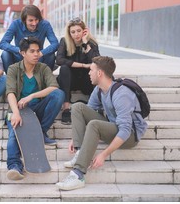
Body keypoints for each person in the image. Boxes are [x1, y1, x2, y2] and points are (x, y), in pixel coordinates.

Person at [56, 56, 148, 190]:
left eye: (91, 70)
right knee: (77, 107)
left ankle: (78, 175)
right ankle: (80, 152)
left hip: (130, 136)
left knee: (94, 124)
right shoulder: (99, 89)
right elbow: (87, 111)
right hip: (113, 125)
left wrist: (104, 154)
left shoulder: (121, 94)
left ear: (100, 73)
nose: (89, 73)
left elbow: (125, 130)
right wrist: (75, 138)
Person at [5, 36, 65, 180]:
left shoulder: (43, 68)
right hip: (17, 110)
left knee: (58, 94)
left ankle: (41, 130)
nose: (36, 54)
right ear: (23, 53)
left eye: (38, 51)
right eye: (32, 51)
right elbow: (10, 93)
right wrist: (16, 113)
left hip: (37, 108)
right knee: (15, 132)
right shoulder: (13, 69)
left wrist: (32, 96)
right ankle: (14, 166)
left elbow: (53, 87)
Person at [56, 17, 100, 125]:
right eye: (73, 32)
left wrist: (85, 43)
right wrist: (83, 65)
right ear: (69, 33)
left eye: (79, 31)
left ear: (84, 31)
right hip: (71, 81)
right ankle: (66, 108)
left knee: (97, 73)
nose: (76, 34)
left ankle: (94, 108)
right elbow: (59, 60)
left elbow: (97, 61)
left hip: (86, 81)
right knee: (64, 68)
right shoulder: (64, 41)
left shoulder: (91, 42)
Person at [0, 5, 59, 72]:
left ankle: (45, 79)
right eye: (31, 20)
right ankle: (11, 79)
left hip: (38, 58)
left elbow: (55, 44)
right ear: (24, 20)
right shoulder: (15, 24)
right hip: (20, 58)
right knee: (5, 54)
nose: (34, 23)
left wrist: (41, 53)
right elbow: (3, 43)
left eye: (36, 20)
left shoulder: (45, 24)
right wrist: (19, 50)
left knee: (51, 55)